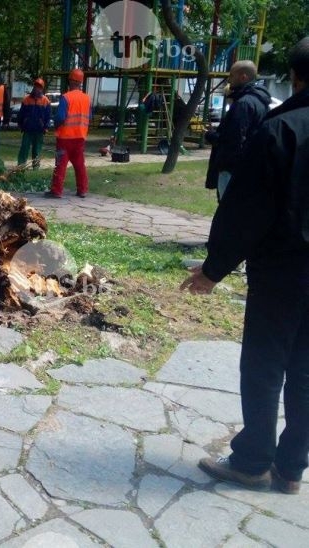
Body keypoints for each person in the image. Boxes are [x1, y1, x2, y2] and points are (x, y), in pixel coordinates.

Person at [180, 37, 309, 495]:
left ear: (295, 77)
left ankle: (254, 459)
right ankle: (292, 467)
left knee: (264, 362)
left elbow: (246, 210)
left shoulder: (282, 130)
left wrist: (214, 269)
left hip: (282, 270)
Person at [205, 60, 271, 200]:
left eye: (232, 75)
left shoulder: (244, 103)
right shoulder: (260, 101)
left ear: (243, 77)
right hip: (249, 166)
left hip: (232, 168)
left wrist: (211, 136)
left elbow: (233, 140)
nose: (229, 79)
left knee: (227, 211)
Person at [46, 68, 90, 199]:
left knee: (60, 165)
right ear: (80, 82)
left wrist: (55, 125)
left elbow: (60, 117)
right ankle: (82, 190)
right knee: (80, 165)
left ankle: (57, 190)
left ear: (70, 81)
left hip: (65, 138)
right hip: (80, 137)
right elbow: (89, 116)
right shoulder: (87, 99)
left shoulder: (66, 98)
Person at [17, 77, 51, 169]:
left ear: (42, 88)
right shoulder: (26, 100)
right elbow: (21, 114)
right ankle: (20, 167)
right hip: (27, 129)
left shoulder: (45, 101)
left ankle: (36, 167)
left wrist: (46, 127)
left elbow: (48, 116)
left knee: (37, 150)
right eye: (36, 86)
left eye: (39, 87)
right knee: (24, 149)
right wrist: (20, 124)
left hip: (39, 130)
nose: (37, 88)